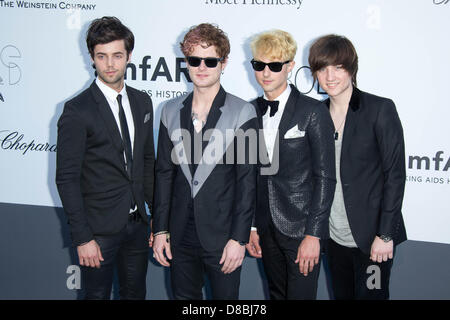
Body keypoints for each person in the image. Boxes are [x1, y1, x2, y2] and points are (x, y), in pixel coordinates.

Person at [151, 23, 258, 300]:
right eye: (194, 60)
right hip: (179, 234)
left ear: (223, 63)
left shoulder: (242, 112)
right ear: (186, 62)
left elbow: (247, 182)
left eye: (210, 60)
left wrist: (239, 239)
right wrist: (160, 229)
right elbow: (164, 174)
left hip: (223, 236)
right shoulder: (170, 110)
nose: (202, 67)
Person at [56, 16, 154, 300]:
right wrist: (83, 238)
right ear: (92, 58)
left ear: (129, 56)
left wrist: (157, 218)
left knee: (135, 294)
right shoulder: (77, 110)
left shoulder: (142, 101)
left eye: (117, 55)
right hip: (98, 231)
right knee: (96, 296)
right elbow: (67, 178)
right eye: (102, 56)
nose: (110, 64)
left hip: (138, 225)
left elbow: (147, 162)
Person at [308, 34, 407, 300]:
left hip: (372, 240)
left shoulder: (379, 109)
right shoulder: (315, 115)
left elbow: (395, 176)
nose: (330, 76)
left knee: (372, 297)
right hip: (333, 237)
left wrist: (385, 234)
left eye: (338, 67)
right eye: (322, 68)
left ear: (351, 69)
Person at [245, 30, 336, 300]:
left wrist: (314, 235)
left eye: (274, 65)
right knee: (276, 294)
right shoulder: (248, 112)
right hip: (265, 228)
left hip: (301, 229)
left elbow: (325, 177)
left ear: (290, 67)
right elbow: (248, 176)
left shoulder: (313, 111)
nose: (266, 72)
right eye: (259, 65)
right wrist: (250, 226)